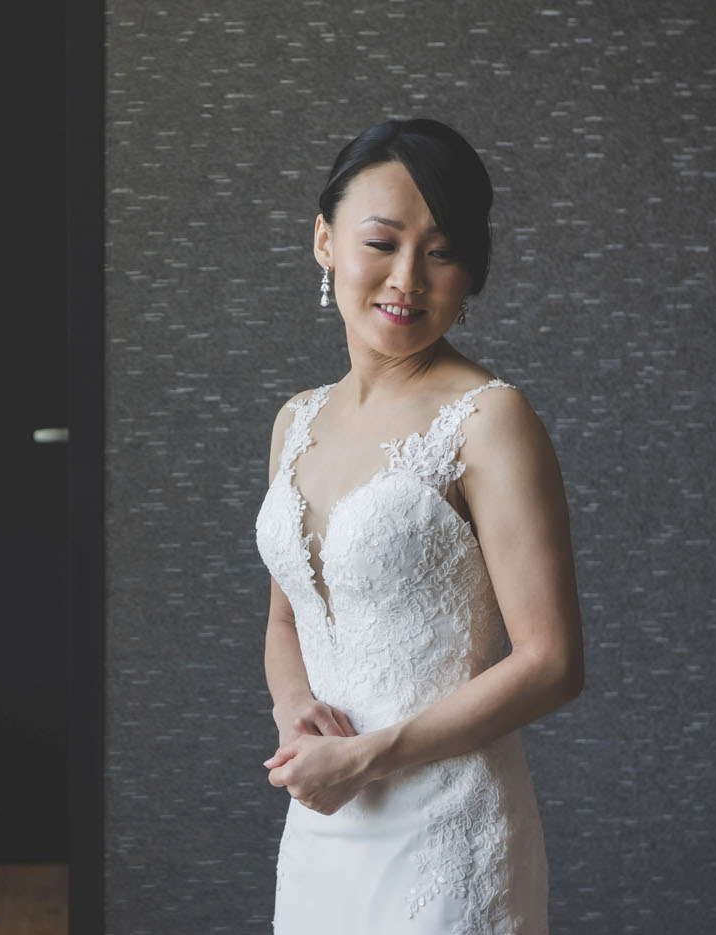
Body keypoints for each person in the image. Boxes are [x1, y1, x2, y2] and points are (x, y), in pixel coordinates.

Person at [256, 118, 584, 933]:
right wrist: (296, 713)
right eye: (383, 241)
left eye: (441, 252)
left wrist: (367, 755)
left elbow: (552, 662)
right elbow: (285, 617)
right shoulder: (295, 421)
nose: (408, 278)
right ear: (326, 241)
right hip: (324, 821)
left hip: (448, 825)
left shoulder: (488, 418)